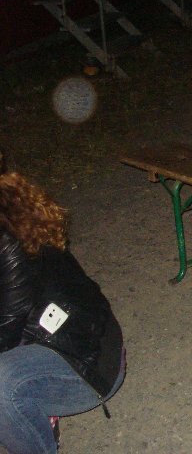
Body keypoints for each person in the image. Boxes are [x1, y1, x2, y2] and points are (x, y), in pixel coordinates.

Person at [0, 153, 125, 454]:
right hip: (50, 340)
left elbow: (7, 327)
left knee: (2, 387)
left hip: (87, 362)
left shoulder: (6, 233)